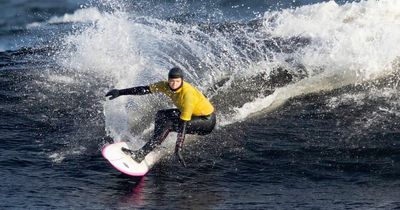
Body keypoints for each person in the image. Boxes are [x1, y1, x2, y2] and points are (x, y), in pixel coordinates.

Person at [105, 67, 216, 167]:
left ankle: (141, 154)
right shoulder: (164, 86)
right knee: (162, 115)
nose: (174, 84)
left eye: (177, 81)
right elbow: (144, 90)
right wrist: (120, 92)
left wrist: (178, 148)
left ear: (182, 80)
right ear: (168, 80)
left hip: (206, 122)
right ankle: (155, 142)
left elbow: (183, 124)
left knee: (169, 124)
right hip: (194, 115)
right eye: (172, 81)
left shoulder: (187, 95)